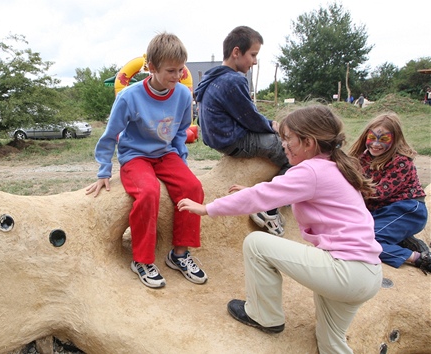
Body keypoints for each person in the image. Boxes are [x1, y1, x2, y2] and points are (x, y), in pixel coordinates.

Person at [177, 105, 383, 354]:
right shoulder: (333, 166)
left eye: (288, 139)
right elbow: (276, 193)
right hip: (367, 274)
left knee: (256, 244)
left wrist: (207, 208)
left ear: (308, 142)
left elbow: (268, 192)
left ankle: (264, 315)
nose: (283, 145)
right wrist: (252, 194)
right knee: (331, 344)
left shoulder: (311, 171)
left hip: (345, 272)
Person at [85, 32, 207, 289]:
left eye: (180, 70)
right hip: (135, 156)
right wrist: (104, 171)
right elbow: (110, 135)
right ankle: (141, 259)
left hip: (166, 155)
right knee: (149, 191)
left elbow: (180, 133)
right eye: (170, 71)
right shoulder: (129, 97)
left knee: (192, 187)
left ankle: (180, 254)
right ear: (151, 68)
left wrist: (180, 165)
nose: (176, 77)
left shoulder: (183, 96)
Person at [194, 26, 291, 237]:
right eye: (253, 55)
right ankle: (269, 208)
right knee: (291, 153)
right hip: (234, 140)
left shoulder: (211, 77)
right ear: (236, 52)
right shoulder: (233, 80)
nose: (255, 62)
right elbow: (250, 119)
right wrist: (273, 126)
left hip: (218, 140)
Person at [348, 113, 430, 273]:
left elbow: (376, 193)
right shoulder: (364, 158)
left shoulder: (401, 162)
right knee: (353, 235)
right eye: (373, 137)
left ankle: (417, 258)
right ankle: (401, 240)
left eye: (384, 139)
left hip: (408, 209)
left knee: (366, 241)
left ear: (395, 139)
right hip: (382, 211)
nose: (376, 144)